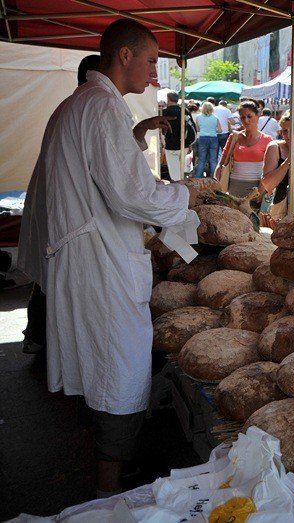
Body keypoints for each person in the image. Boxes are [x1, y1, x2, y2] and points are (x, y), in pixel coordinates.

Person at [38, 19, 198, 497]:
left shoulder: (84, 104)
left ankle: (111, 466)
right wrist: (187, 195)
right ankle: (110, 492)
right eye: (151, 61)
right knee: (119, 369)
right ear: (124, 56)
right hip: (100, 262)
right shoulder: (102, 106)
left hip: (90, 258)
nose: (154, 73)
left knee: (106, 367)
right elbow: (131, 194)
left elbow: (101, 170)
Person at [18, 54, 102, 356]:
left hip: (54, 203)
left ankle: (38, 336)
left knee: (48, 276)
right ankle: (41, 337)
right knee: (52, 279)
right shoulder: (87, 106)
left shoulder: (74, 105)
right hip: (61, 209)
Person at [260, 112, 294, 220]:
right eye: (284, 131)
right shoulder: (275, 147)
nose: (288, 135)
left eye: (292, 130)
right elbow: (268, 185)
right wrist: (288, 161)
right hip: (279, 210)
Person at [215, 100, 272, 197]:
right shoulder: (234, 137)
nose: (246, 120)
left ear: (258, 115)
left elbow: (271, 169)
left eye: (249, 116)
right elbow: (222, 162)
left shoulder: (267, 140)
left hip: (257, 188)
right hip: (234, 187)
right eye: (242, 117)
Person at [162, 90, 197, 181]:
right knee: (181, 170)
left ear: (168, 99)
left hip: (170, 144)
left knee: (174, 172)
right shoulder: (185, 111)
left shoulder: (165, 112)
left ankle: (179, 189)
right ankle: (182, 185)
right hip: (184, 144)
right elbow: (193, 127)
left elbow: (162, 130)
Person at [194, 101, 222, 178]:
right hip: (213, 138)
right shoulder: (215, 118)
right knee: (213, 160)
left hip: (202, 138)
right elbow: (220, 130)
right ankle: (214, 178)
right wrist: (213, 129)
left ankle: (198, 178)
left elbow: (197, 129)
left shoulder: (198, 117)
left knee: (201, 159)